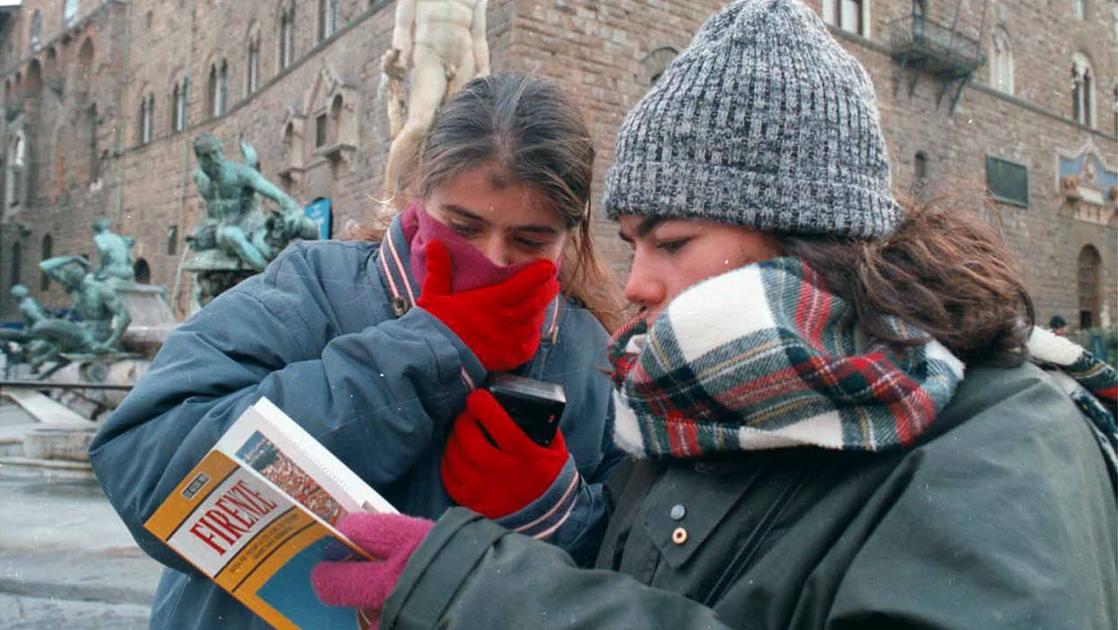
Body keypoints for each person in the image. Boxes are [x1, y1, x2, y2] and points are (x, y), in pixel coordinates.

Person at [310, 2, 1118, 628]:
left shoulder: (1006, 442)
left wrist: (475, 594)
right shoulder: (697, 409)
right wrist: (544, 510)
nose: (635, 284)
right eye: (629, 244)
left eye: (670, 242)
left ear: (809, 236)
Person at [90, 72, 624, 630]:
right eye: (463, 227)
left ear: (570, 235)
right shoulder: (311, 286)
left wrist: (556, 510)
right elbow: (142, 466)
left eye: (529, 241)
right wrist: (431, 350)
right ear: (420, 197)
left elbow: (637, 582)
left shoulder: (588, 355)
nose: (492, 260)